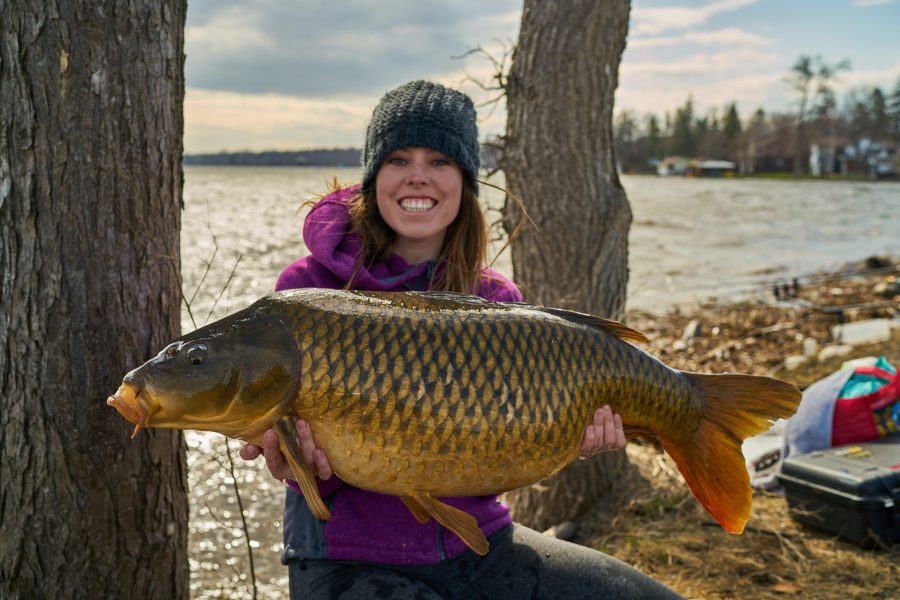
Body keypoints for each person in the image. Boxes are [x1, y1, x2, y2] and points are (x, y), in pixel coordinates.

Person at [240, 80, 681, 599]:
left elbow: (488, 467)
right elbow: (308, 468)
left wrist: (563, 439)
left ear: (465, 180)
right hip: (343, 562)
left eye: (440, 161)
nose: (418, 176)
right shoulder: (306, 292)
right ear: (373, 175)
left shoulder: (496, 299)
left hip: (478, 548)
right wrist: (296, 465)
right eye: (398, 159)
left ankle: (691, 414)